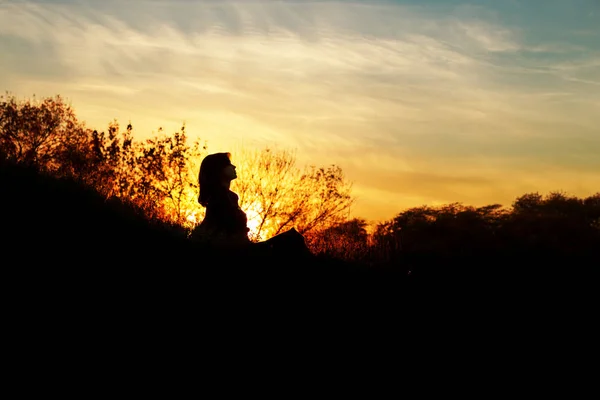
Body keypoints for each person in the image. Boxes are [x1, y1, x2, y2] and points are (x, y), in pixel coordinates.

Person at [190, 152, 312, 259]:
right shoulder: (217, 198)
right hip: (237, 252)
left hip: (245, 248)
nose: (234, 166)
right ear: (218, 170)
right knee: (293, 239)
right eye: (228, 164)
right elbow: (221, 231)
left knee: (293, 238)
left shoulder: (232, 197)